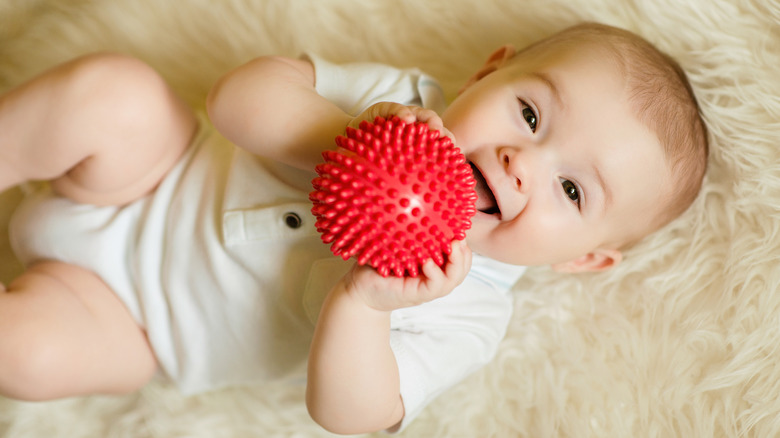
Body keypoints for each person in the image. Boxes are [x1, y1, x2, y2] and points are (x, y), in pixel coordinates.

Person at [0, 22, 707, 434]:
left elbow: (353, 415)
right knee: (114, 92)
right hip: (156, 169)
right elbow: (236, 98)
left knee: (30, 356)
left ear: (583, 258)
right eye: (528, 115)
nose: (521, 164)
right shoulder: (398, 99)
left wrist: (363, 306)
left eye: (572, 189)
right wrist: (345, 137)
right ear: (487, 74)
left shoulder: (471, 312)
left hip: (139, 324)